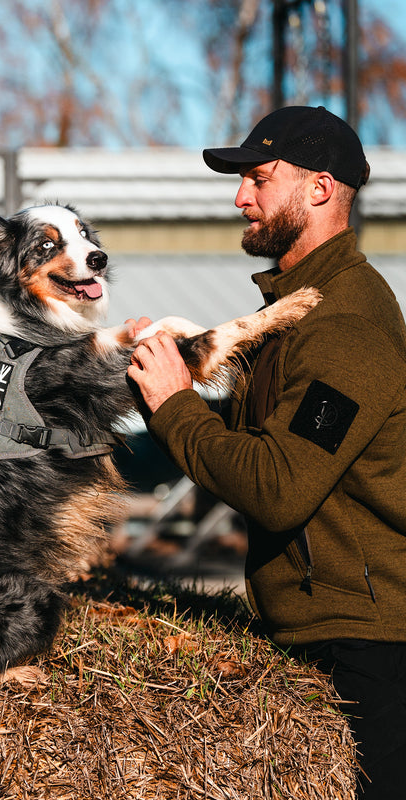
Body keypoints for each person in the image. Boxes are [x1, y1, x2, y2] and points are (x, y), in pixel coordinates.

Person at [127, 105, 406, 798]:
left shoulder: (346, 324)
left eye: (258, 177)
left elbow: (278, 484)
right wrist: (161, 383)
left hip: (367, 645)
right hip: (323, 626)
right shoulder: (302, 312)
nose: (239, 197)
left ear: (318, 189)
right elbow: (251, 442)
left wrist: (176, 404)